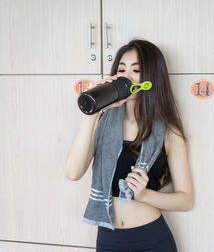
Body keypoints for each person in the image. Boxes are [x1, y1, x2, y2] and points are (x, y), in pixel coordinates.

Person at [65, 39, 194, 251]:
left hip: (151, 239)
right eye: (121, 69)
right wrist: (92, 113)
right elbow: (72, 173)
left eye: (136, 70)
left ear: (151, 78)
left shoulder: (169, 132)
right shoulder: (101, 121)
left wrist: (145, 195)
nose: (126, 76)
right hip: (108, 239)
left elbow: (186, 200)